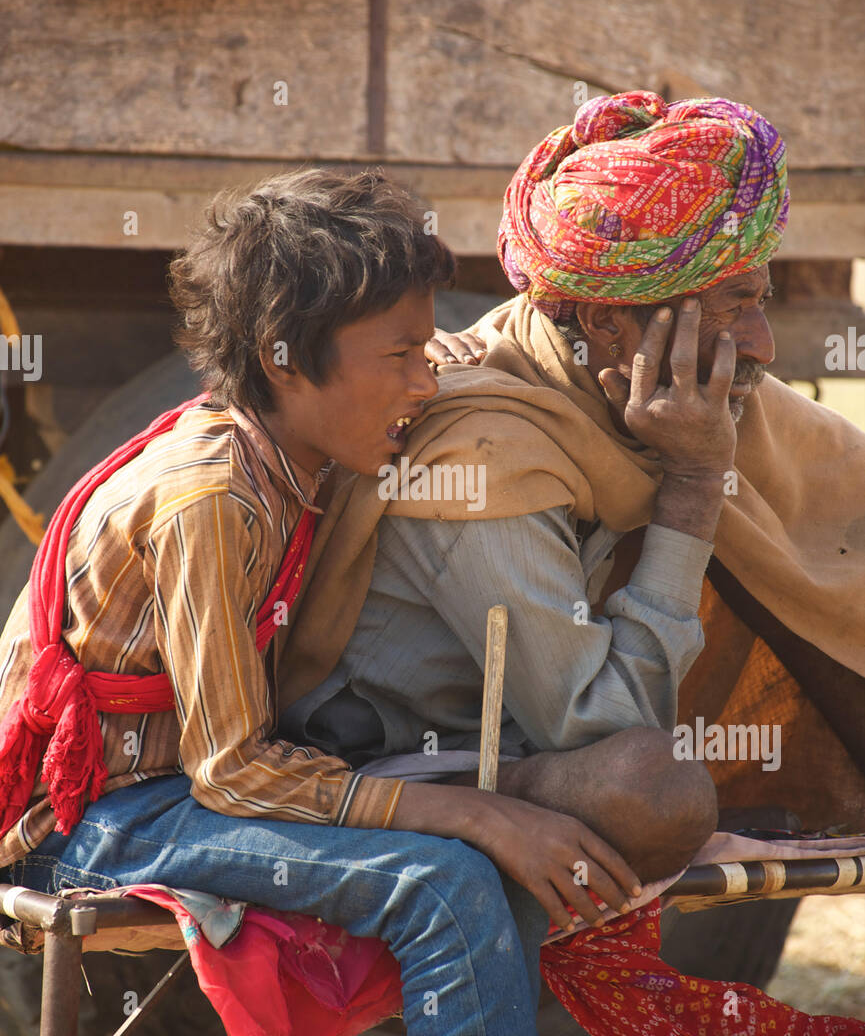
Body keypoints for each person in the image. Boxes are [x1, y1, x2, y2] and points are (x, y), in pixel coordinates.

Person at [0, 166, 646, 1036]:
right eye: (400, 355)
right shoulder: (211, 496)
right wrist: (472, 813)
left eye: (427, 351)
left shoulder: (292, 449)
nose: (425, 381)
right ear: (285, 355)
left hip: (180, 792)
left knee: (496, 847)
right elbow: (232, 768)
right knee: (445, 882)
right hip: (98, 817)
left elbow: (464, 351)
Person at [276, 92, 865, 844]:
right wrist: (690, 485)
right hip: (405, 770)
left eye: (759, 301)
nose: (761, 344)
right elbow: (602, 726)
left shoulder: (650, 376)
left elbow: (838, 495)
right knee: (649, 787)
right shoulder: (480, 452)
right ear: (601, 321)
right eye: (733, 305)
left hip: (526, 747)